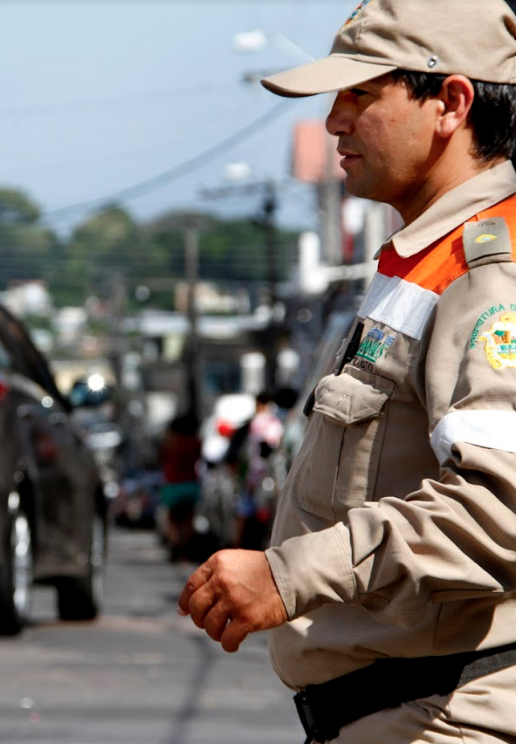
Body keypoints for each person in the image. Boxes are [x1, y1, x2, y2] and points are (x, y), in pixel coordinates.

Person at [176, 2, 516, 742]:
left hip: (442, 716)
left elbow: (501, 510)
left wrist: (288, 576)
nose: (335, 121)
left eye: (361, 94)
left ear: (451, 104)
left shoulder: (490, 272)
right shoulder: (421, 261)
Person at [229, 391, 283, 550]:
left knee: (244, 514)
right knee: (265, 516)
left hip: (253, 476)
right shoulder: (275, 422)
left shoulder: (258, 422)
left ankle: (238, 549)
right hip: (269, 476)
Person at [158, 413, 202, 562]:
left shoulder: (171, 441)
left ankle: (175, 545)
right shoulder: (196, 441)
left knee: (172, 519)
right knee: (188, 520)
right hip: (191, 483)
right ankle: (185, 552)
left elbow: (163, 458)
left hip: (173, 484)